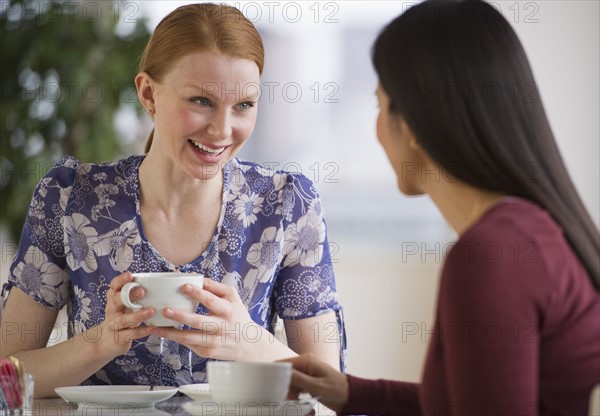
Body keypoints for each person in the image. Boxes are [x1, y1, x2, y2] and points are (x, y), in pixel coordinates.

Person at [1, 3, 346, 398]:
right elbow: (6, 381)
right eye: (201, 101)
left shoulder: (288, 205)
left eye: (244, 106)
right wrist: (101, 341)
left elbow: (329, 390)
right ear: (148, 93)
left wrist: (248, 341)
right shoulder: (69, 198)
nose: (222, 130)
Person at [284, 1, 600, 415]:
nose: (376, 128)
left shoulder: (491, 254)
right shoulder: (527, 233)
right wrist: (348, 392)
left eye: (380, 105)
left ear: (412, 123)